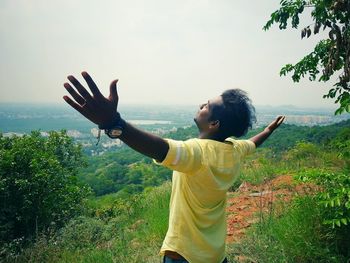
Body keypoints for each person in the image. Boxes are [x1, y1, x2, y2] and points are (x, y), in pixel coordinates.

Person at [63, 71, 285, 263]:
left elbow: (158, 148)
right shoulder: (234, 151)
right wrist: (269, 130)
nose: (202, 105)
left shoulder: (197, 153)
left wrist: (114, 124)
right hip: (216, 255)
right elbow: (253, 143)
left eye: (207, 105)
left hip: (184, 254)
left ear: (214, 123)